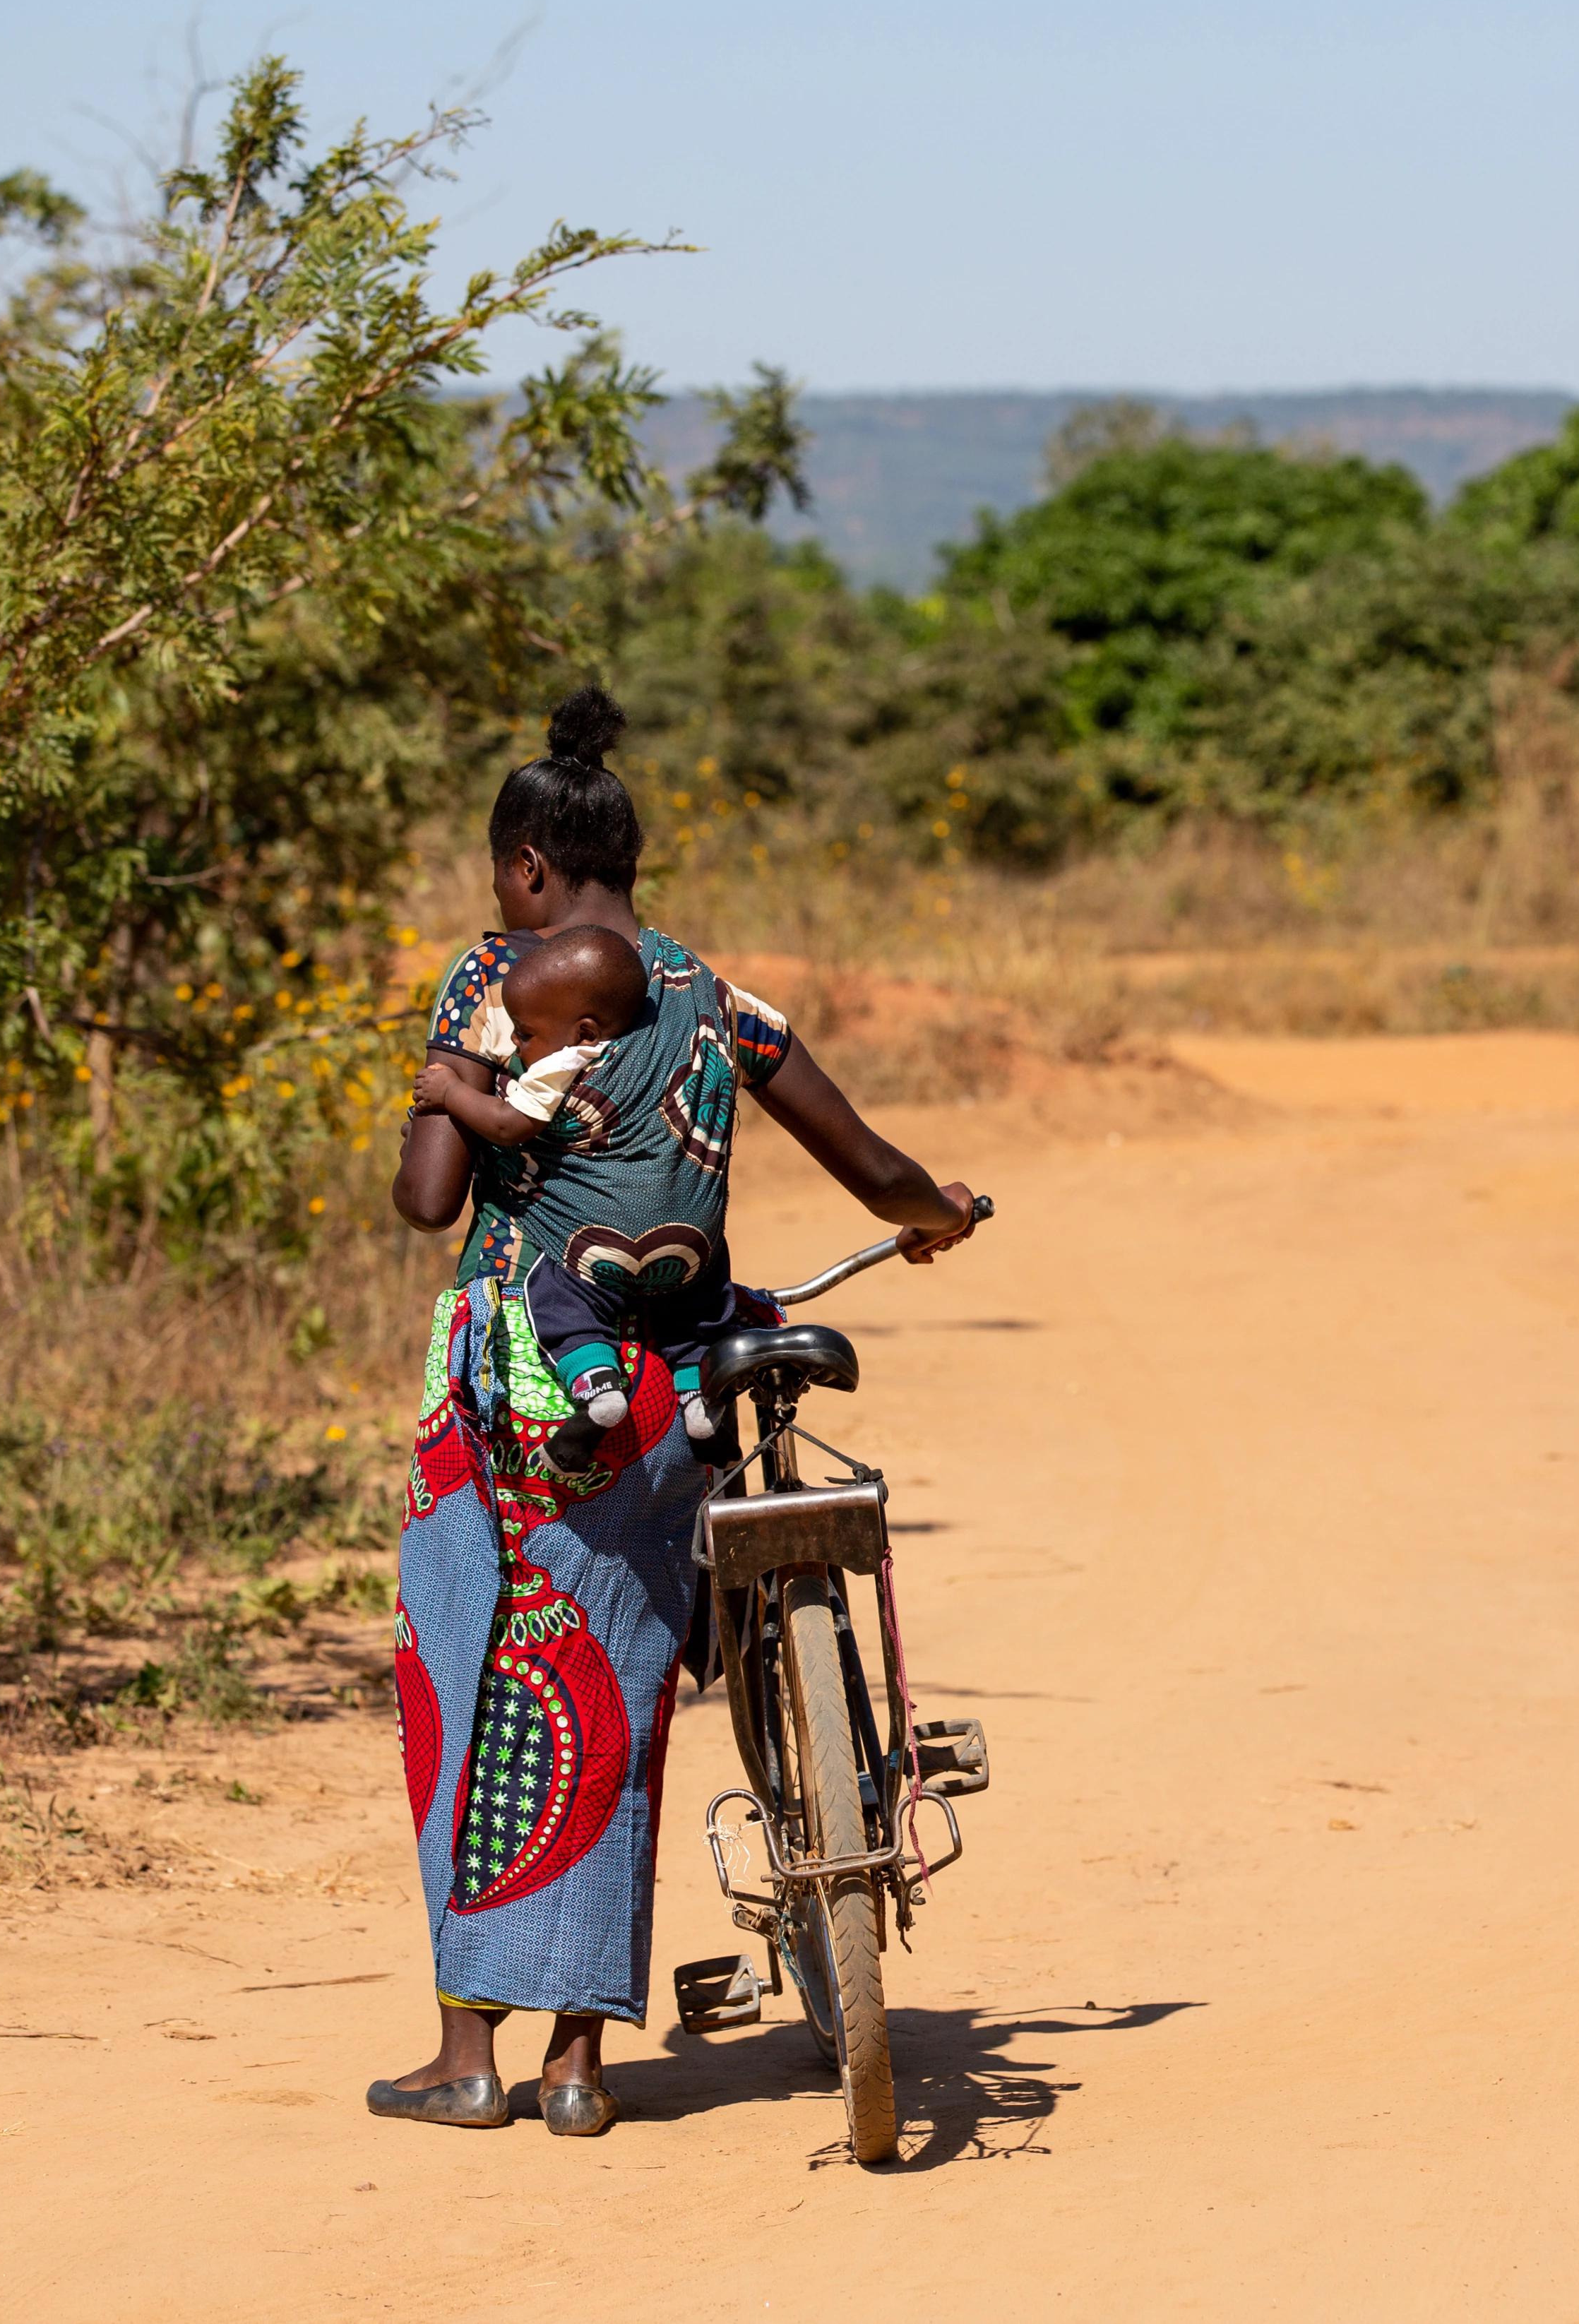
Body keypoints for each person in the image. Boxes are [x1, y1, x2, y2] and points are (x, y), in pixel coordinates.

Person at [369, 684, 976, 2138]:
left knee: (466, 1673)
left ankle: (469, 2052)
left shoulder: (493, 980)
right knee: (617, 1684)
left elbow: (425, 1197)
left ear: (526, 865)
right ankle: (580, 2063)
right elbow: (867, 1159)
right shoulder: (718, 997)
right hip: (664, 1390)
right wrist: (931, 1209)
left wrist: (458, 1091)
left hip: (520, 1383)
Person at [402, 923, 736, 1460]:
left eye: (526, 1032)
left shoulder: (563, 1064)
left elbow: (510, 1124)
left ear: (583, 1031)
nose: (516, 1043)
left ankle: (596, 1381)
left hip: (604, 1244)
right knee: (701, 1297)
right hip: (686, 1245)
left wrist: (452, 1092)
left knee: (556, 1291)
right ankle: (697, 1390)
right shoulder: (673, 1032)